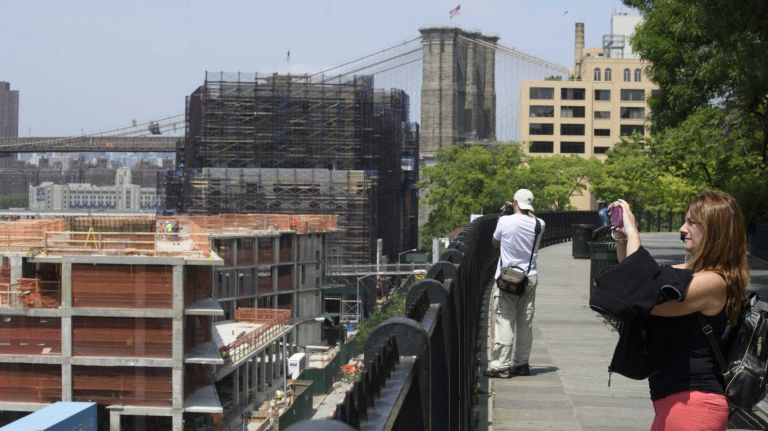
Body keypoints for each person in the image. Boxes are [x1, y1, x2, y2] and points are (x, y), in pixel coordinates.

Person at [610, 191, 749, 431]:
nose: (682, 228)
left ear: (715, 231)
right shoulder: (692, 273)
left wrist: (634, 233)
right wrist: (623, 238)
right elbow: (635, 279)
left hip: (694, 407)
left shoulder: (714, 282)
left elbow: (643, 294)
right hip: (674, 404)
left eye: (692, 222)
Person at [485, 188, 546, 378]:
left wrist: (507, 212)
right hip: (529, 277)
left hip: (508, 278)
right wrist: (519, 207)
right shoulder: (540, 224)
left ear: (515, 203)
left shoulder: (505, 221)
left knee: (505, 320)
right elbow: (529, 218)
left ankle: (501, 364)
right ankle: (521, 363)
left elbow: (495, 243)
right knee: (525, 322)